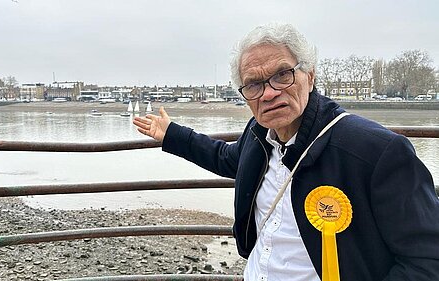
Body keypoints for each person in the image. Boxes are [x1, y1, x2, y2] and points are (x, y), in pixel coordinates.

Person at [133, 23, 439, 280]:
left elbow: (427, 259)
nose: (268, 93)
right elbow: (226, 158)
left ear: (311, 76)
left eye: (282, 75)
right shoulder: (258, 137)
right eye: (253, 84)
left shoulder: (376, 151)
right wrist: (171, 135)